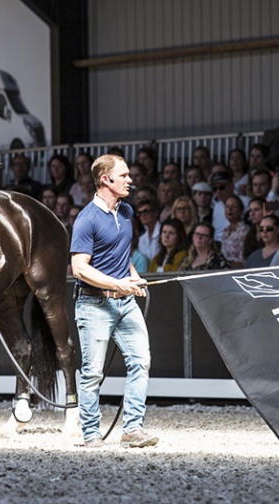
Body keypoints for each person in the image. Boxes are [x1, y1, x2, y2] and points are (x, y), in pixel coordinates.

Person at [70, 153, 158, 449]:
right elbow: (79, 268)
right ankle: (91, 433)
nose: (130, 180)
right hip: (95, 304)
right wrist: (118, 283)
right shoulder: (86, 219)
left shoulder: (128, 212)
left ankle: (133, 429)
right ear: (105, 180)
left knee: (141, 361)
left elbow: (122, 257)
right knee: (93, 372)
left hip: (125, 302)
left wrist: (132, 277)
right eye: (123, 176)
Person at [220, 196, 249, 268]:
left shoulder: (245, 230)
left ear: (241, 210)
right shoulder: (225, 231)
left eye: (234, 206)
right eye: (227, 206)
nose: (230, 209)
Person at [210, 170, 234, 241]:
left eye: (222, 187)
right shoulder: (216, 206)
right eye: (215, 189)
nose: (218, 191)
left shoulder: (245, 201)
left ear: (231, 185)